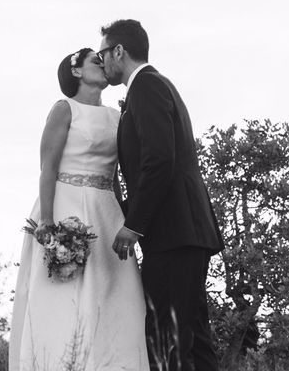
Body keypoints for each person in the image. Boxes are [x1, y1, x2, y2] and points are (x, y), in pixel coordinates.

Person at [9, 48, 149, 371]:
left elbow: (116, 174)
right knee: (63, 301)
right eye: (95, 61)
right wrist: (46, 221)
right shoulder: (64, 110)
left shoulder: (117, 116)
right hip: (64, 207)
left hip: (105, 211)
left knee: (117, 295)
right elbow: (48, 168)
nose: (103, 65)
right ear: (76, 71)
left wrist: (128, 217)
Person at [98, 19, 225, 371]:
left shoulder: (147, 87)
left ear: (119, 52)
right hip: (185, 232)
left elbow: (159, 160)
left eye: (102, 53)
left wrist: (134, 224)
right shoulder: (156, 86)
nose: (102, 60)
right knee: (194, 342)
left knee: (167, 340)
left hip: (172, 235)